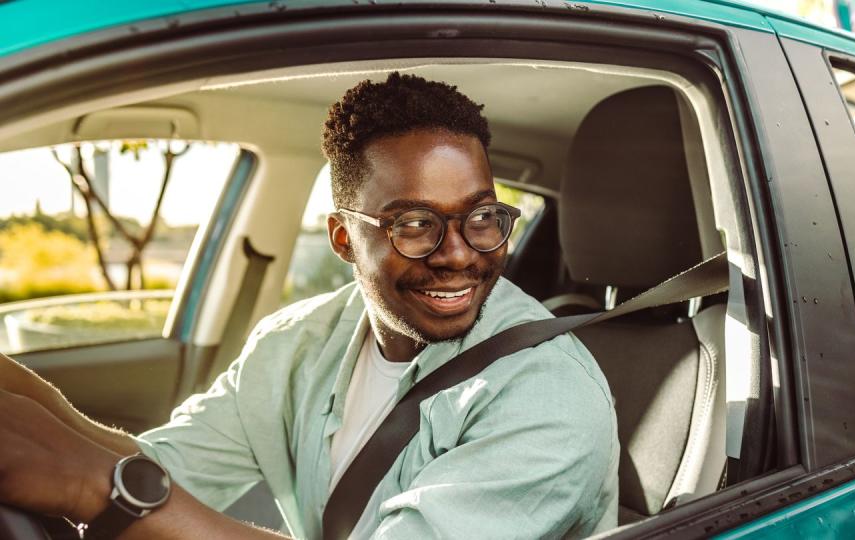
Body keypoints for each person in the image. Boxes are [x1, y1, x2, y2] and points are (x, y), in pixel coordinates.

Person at [0, 72, 618, 539]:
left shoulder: (550, 397)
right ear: (345, 239)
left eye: (482, 216)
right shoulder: (296, 341)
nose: (459, 254)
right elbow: (168, 473)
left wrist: (90, 480)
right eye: (414, 223)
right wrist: (42, 408)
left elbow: (128, 490)